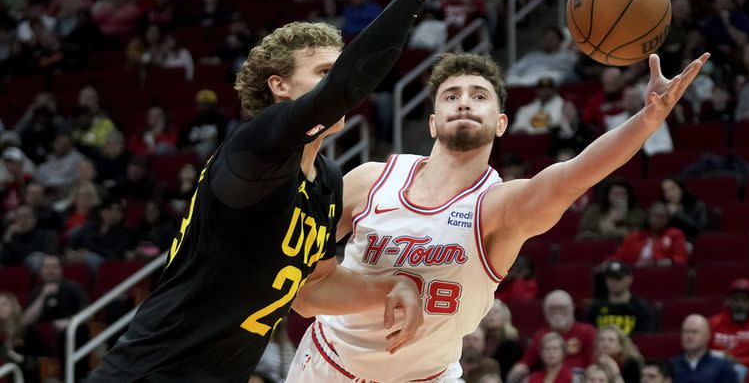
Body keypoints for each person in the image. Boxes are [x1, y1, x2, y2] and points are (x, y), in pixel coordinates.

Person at [86, 0, 466, 378]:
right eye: (323, 72)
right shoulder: (258, 147)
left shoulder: (326, 182)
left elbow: (312, 289)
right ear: (279, 86)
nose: (337, 84)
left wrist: (393, 284)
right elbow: (348, 85)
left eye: (336, 69)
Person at [287, 41, 709, 381]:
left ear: (502, 122)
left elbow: (576, 174)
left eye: (479, 95)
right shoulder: (370, 180)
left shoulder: (500, 208)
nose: (464, 102)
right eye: (451, 95)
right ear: (432, 122)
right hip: (329, 365)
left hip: (425, 377)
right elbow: (300, 274)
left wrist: (647, 120)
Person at [511, 290, 597, 382]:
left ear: (571, 309)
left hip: (579, 375)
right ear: (545, 311)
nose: (557, 312)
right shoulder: (541, 335)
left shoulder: (587, 331)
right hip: (547, 375)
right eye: (553, 309)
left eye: (562, 308)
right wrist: (520, 368)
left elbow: (595, 361)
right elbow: (527, 361)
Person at [585, 261, 657, 335]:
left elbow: (645, 338)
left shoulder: (642, 309)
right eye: (610, 278)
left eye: (618, 278)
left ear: (630, 279)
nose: (614, 282)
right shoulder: (595, 308)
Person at [671, 314, 737, 383]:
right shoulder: (671, 366)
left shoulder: (723, 366)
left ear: (707, 336)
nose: (689, 336)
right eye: (685, 332)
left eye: (694, 332)